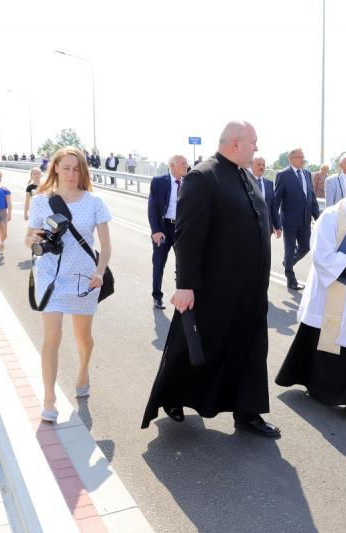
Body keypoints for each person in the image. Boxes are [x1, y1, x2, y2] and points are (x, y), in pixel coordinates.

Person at [141, 120, 280, 437]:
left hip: (250, 289)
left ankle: (248, 411)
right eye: (253, 142)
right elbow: (188, 236)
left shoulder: (246, 175)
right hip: (214, 288)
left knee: (251, 348)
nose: (257, 148)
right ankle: (173, 396)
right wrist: (184, 285)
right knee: (194, 346)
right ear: (235, 143)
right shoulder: (203, 176)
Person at [276, 171, 346, 415]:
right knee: (330, 343)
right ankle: (322, 389)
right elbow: (321, 256)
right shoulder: (331, 217)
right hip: (334, 295)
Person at [24, 146, 112, 422]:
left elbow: (106, 246)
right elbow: (28, 239)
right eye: (66, 168)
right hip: (50, 275)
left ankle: (83, 370)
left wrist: (100, 272)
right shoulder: (42, 201)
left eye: (77, 169)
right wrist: (35, 238)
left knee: (83, 337)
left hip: (84, 278)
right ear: (56, 168)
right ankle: (49, 399)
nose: (72, 174)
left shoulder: (95, 202)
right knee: (52, 336)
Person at [273, 147, 320, 290]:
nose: (303, 160)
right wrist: (276, 223)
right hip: (289, 220)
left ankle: (288, 262)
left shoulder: (307, 173)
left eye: (303, 157)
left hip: (305, 219)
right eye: (300, 157)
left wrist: (317, 217)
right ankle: (291, 279)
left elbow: (311, 196)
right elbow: (276, 200)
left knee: (306, 246)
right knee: (290, 248)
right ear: (291, 159)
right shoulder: (283, 175)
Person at [147, 154, 188, 309]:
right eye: (182, 163)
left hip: (181, 229)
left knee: (182, 265)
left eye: (186, 163)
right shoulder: (158, 182)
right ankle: (157, 297)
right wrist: (156, 230)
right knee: (158, 264)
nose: (185, 166)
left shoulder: (189, 182)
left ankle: (181, 297)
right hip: (163, 228)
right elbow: (152, 208)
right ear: (172, 166)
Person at [248, 156, 281, 238]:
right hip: (250, 227)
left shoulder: (269, 184)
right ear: (251, 166)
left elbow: (273, 207)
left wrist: (278, 226)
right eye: (259, 164)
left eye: (263, 165)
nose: (262, 167)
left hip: (267, 227)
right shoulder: (246, 182)